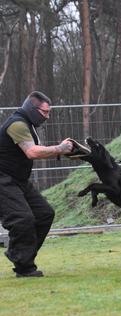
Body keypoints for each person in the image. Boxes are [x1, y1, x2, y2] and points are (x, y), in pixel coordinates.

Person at [0, 91, 73, 277]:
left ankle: (21, 256)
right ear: (32, 109)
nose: (47, 117)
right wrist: (60, 149)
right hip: (3, 180)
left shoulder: (28, 124)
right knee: (22, 219)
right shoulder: (17, 124)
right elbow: (32, 152)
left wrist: (63, 151)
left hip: (18, 180)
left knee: (44, 214)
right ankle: (24, 266)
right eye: (45, 112)